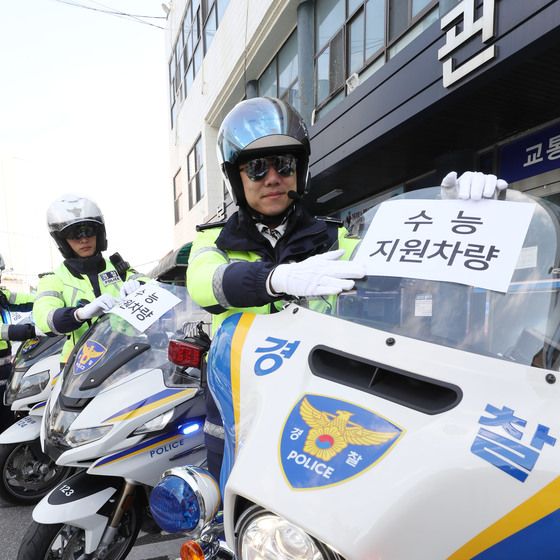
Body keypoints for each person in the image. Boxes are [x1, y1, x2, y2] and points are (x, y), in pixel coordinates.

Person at [186, 96, 508, 482]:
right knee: (225, 516)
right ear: (235, 177)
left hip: (314, 399)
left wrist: (459, 211)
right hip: (236, 400)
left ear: (299, 171)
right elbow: (205, 283)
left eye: (284, 165)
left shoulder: (333, 237)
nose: (272, 177)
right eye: (256, 168)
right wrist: (272, 280)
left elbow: (395, 262)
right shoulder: (214, 241)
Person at [33, 194, 146, 366]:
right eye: (74, 234)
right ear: (62, 240)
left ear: (99, 233)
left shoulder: (118, 268)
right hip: (78, 364)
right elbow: (44, 319)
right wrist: (79, 314)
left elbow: (156, 288)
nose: (84, 238)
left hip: (125, 356)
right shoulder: (54, 279)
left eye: (89, 230)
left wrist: (141, 287)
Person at [0, 255, 41, 431]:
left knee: (7, 408)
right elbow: (2, 330)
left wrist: (47, 298)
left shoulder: (1, 294)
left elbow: (24, 300)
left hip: (4, 366)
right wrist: (30, 331)